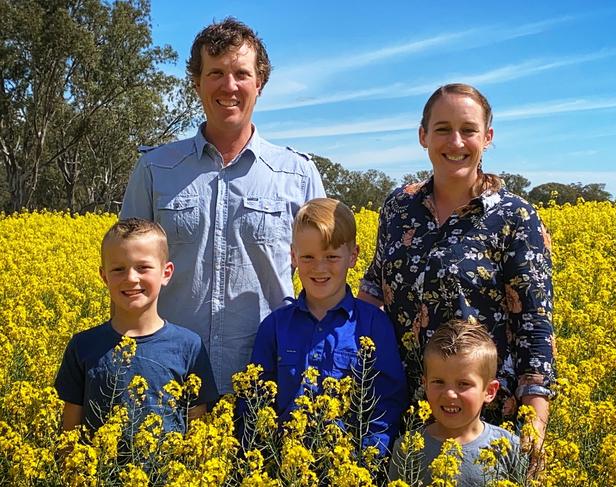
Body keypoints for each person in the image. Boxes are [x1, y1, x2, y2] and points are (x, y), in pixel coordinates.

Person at [120, 18, 325, 395]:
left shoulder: (298, 174)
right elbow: (125, 272)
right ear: (196, 83)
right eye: (215, 73)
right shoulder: (155, 169)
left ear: (259, 84)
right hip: (165, 376)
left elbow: (325, 275)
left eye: (241, 74)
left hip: (268, 379)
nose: (229, 86)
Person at [358, 83, 555, 443]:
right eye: (443, 129)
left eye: (468, 130)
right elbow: (373, 289)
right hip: (401, 413)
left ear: (487, 137)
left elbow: (534, 325)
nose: (456, 142)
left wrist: (536, 423)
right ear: (423, 136)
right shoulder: (398, 208)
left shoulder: (515, 216)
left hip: (485, 419)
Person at [249, 198, 407, 454]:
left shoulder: (374, 325)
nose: (319, 268)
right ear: (293, 257)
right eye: (308, 257)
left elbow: (386, 404)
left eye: (332, 256)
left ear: (353, 256)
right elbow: (254, 401)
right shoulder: (274, 326)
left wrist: (368, 461)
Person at [55, 218, 218, 434]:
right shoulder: (83, 346)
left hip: (168, 468)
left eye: (143, 267)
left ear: (166, 273)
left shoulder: (189, 347)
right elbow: (70, 430)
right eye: (118, 269)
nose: (131, 278)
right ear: (104, 277)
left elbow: (197, 424)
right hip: (99, 466)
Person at [388, 320, 522, 486]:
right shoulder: (407, 447)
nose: (450, 394)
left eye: (463, 384)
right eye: (438, 382)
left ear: (490, 391)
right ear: (426, 385)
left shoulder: (509, 448)